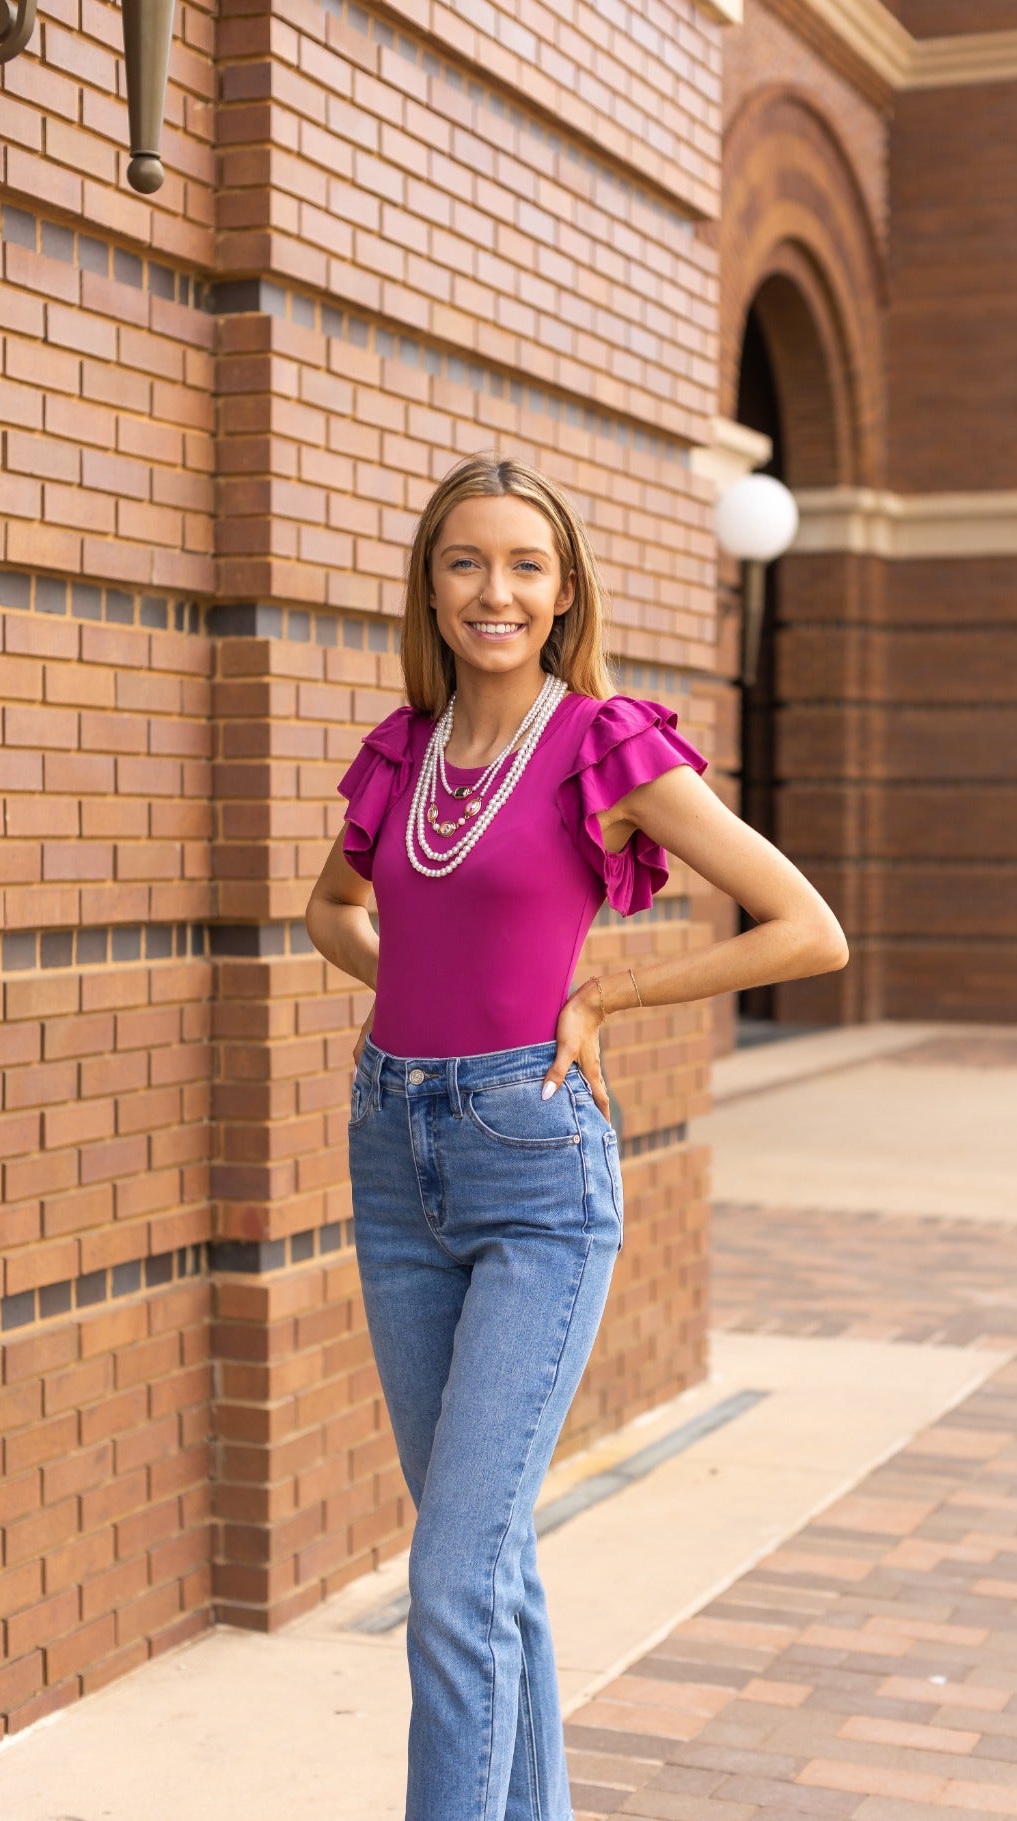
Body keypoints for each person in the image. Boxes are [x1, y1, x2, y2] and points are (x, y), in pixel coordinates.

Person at [304, 450, 848, 1821]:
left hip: (532, 1165)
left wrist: (602, 992)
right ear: (429, 588)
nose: (494, 589)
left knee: (450, 1573)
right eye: (465, 562)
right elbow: (333, 912)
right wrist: (420, 1012)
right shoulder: (405, 750)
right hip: (393, 1145)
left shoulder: (600, 746)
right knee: (484, 1562)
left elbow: (805, 926)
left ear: (561, 595)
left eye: (524, 566)